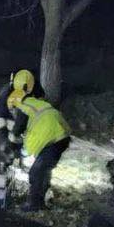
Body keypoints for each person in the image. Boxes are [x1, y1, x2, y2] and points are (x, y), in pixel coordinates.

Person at [6, 68, 72, 211]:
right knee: (43, 169)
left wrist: (12, 146)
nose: (12, 113)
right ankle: (41, 198)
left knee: (35, 172)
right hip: (62, 136)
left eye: (11, 110)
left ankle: (34, 204)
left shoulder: (22, 107)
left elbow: (18, 132)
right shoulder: (34, 103)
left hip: (54, 139)